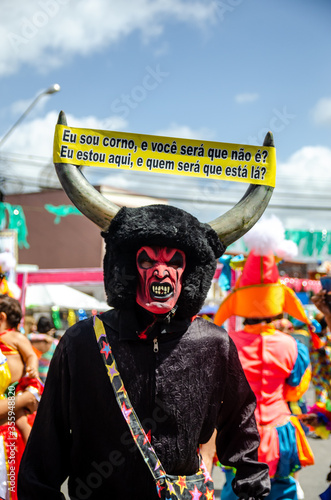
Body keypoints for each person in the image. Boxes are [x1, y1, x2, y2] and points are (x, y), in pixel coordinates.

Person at [214, 216, 315, 500]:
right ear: (279, 306)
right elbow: (296, 389)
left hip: (237, 435)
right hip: (279, 432)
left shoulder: (225, 343)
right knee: (282, 490)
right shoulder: (292, 345)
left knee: (237, 490)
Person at [28, 316, 59, 383]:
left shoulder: (31, 340)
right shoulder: (54, 343)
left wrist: (43, 336)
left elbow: (28, 336)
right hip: (47, 376)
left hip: (32, 375)